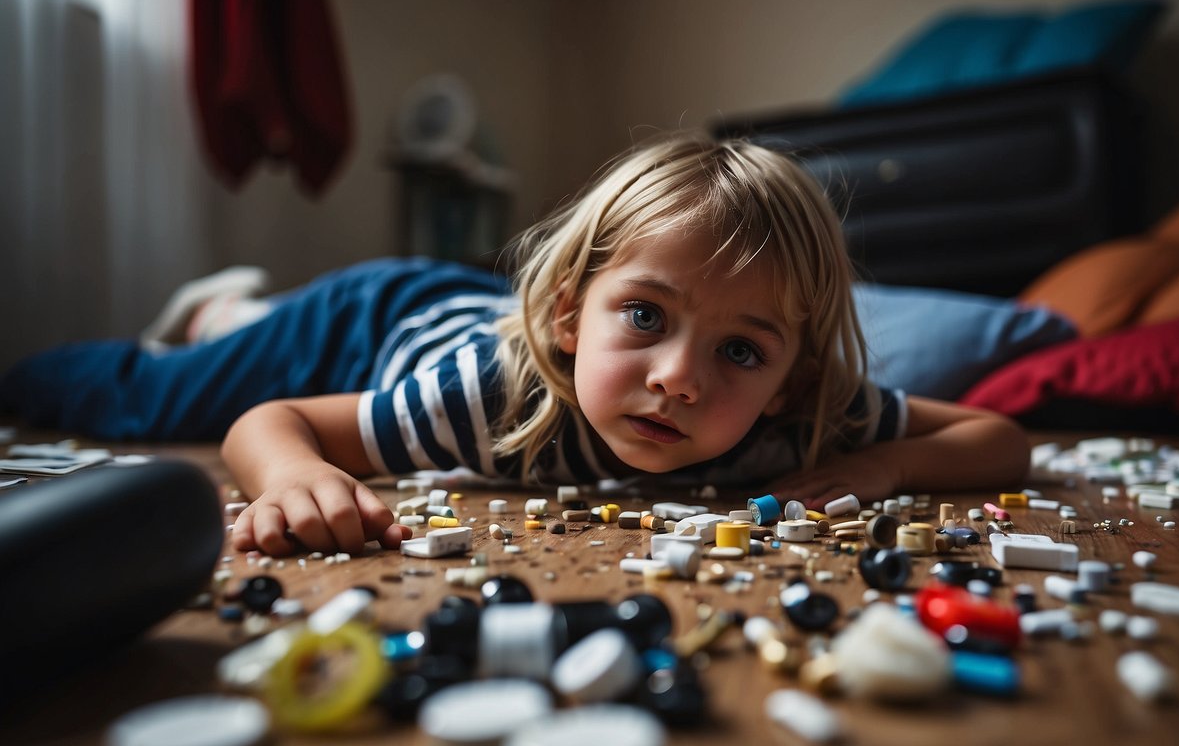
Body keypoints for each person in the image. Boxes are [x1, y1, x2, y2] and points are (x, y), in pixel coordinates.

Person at [0, 131, 1029, 556]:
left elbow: (999, 437)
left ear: (794, 373)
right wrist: (290, 477)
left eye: (740, 353)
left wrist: (883, 460)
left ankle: (236, 316)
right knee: (152, 400)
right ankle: (214, 321)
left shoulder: (809, 413)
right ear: (573, 315)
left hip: (470, 305)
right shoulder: (480, 398)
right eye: (646, 318)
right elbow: (270, 421)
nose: (678, 378)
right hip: (374, 315)